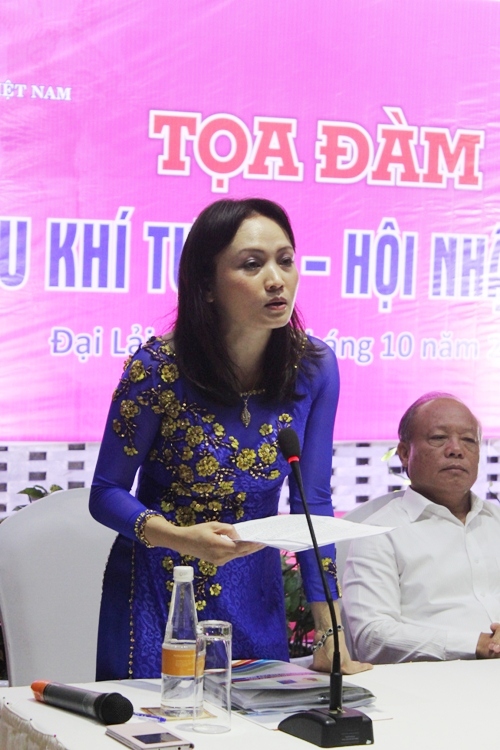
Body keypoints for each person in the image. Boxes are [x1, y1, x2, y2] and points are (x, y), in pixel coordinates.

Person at [90, 197, 370, 680]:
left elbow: (313, 502)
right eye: (252, 265)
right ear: (207, 286)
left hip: (255, 590)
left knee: (262, 716)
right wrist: (178, 538)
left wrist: (330, 634)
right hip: (160, 586)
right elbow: (105, 493)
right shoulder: (157, 369)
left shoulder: (314, 367)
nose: (276, 279)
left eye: (285, 260)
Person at [342, 391, 500, 664]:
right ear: (404, 453)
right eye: (439, 438)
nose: (456, 449)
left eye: (468, 440)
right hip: (434, 679)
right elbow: (372, 637)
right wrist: (476, 644)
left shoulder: (496, 521)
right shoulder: (378, 532)